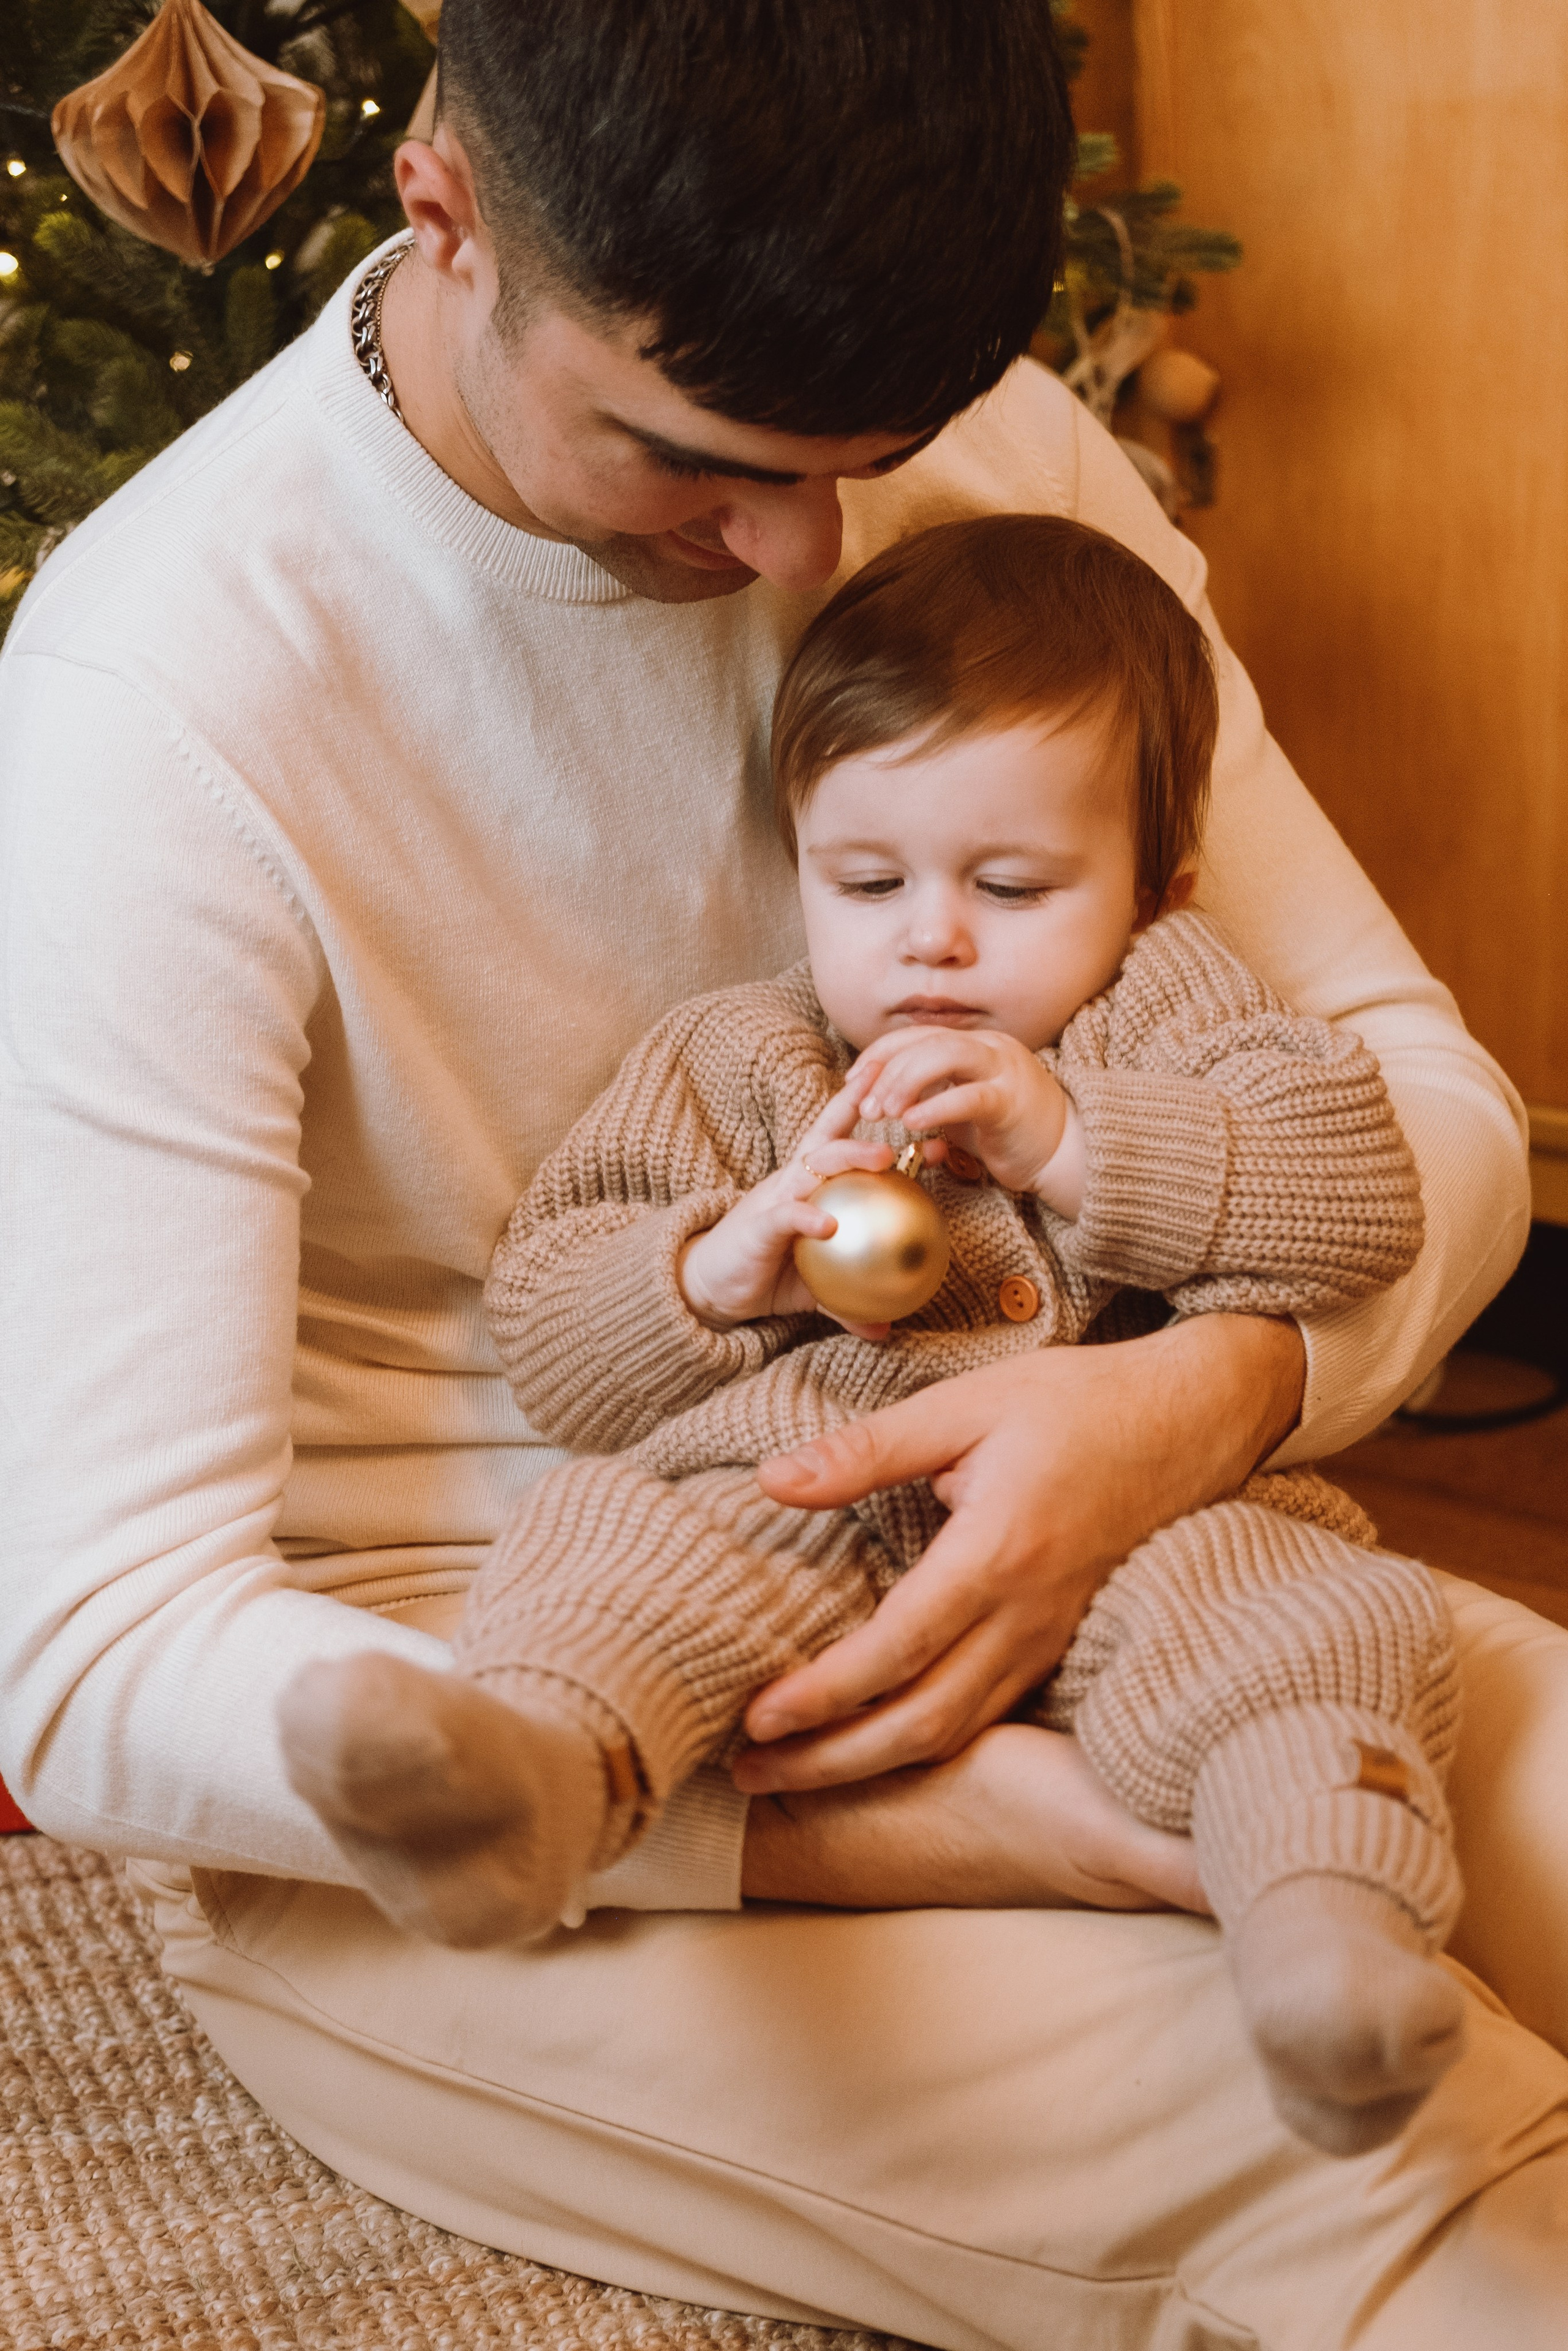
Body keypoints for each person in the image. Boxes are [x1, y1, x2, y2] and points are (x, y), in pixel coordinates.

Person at [2, 2, 1564, 2344]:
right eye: (695, 455)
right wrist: (924, 1829)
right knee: (1442, 2177)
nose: (798, 554)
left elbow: (1415, 1105)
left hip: (1145, 1552)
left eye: (876, 456)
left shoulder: (1014, 468)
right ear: (447, 213)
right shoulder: (160, 705)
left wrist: (1186, 1408)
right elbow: (87, 1657)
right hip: (530, 1714)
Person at [279, 513, 1465, 2161]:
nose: (934, 939)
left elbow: (1352, 1195)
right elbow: (553, 1334)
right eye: (868, 882)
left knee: (1300, 1625)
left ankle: (1328, 1942)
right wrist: (721, 1268)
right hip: (800, 1502)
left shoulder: (1171, 1008)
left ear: (1154, 884)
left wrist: (1073, 1140)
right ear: (800, 871)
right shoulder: (740, 1061)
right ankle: (528, 1787)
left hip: (1143, 1535)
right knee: (615, 1548)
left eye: (1011, 886)